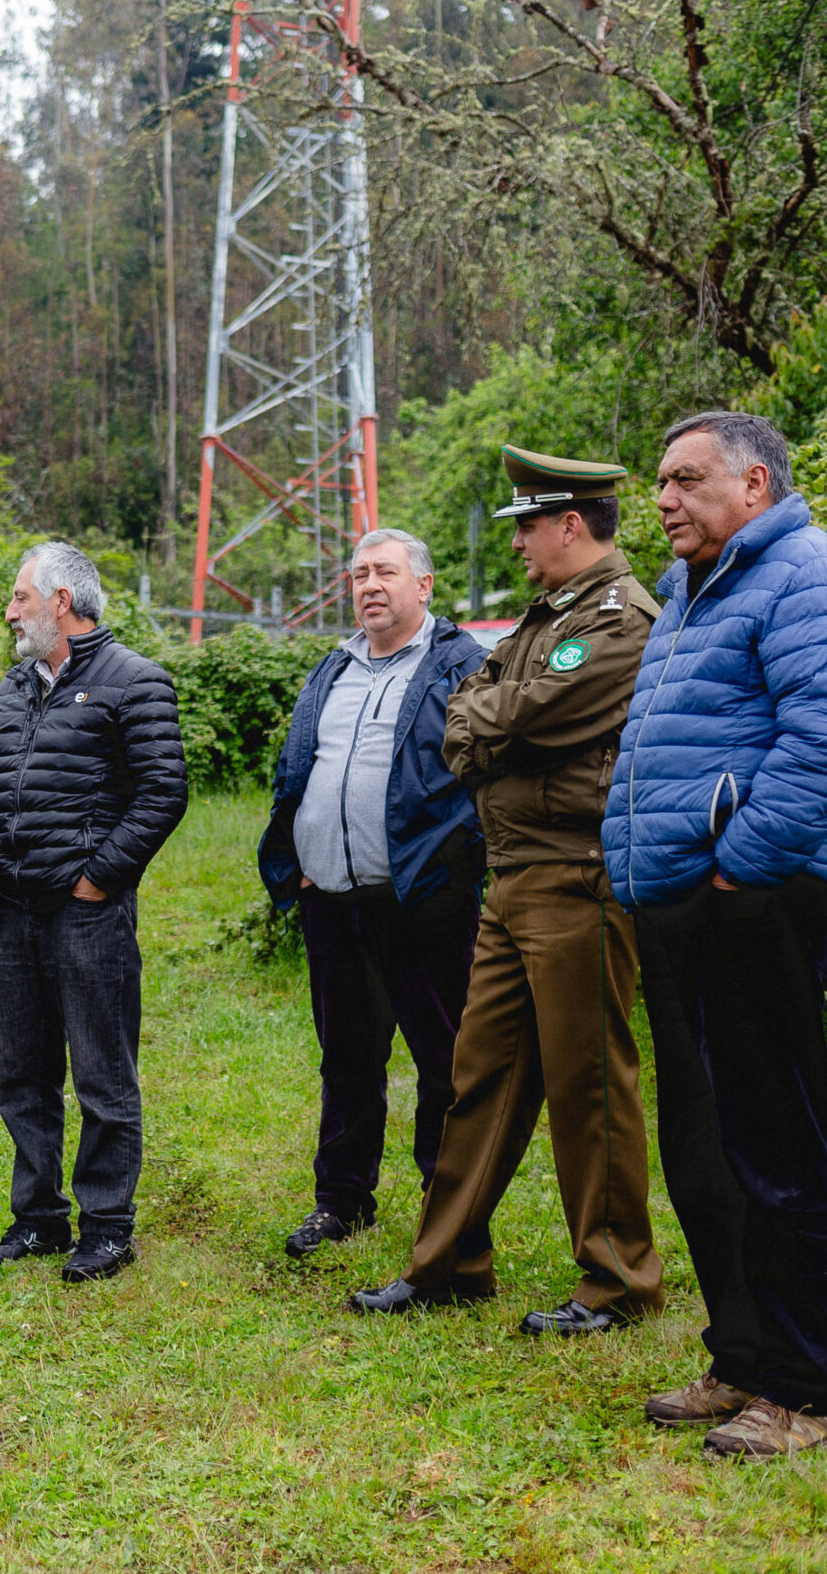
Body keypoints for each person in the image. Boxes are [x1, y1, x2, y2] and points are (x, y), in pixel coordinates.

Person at [606, 412, 827, 1460]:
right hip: (681, 902)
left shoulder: (814, 574)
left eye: (684, 480)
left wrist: (737, 868)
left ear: (753, 483)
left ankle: (806, 1393)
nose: (663, 500)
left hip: (757, 897)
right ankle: (741, 1357)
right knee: (706, 1145)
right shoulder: (691, 589)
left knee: (773, 1147)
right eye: (660, 482)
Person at [350, 444, 665, 1336]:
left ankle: (617, 1281)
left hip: (578, 876)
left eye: (528, 525)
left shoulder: (620, 618)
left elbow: (517, 712)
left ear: (571, 524)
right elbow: (465, 709)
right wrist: (494, 718)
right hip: (514, 875)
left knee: (588, 1083)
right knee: (475, 1077)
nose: (519, 541)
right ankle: (447, 1261)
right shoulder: (543, 620)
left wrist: (495, 718)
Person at [258, 529, 489, 1259]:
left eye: (385, 572)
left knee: (442, 1058)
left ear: (423, 585)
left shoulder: (461, 665)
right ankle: (342, 1200)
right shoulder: (333, 666)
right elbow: (298, 763)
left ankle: (444, 1206)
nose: (369, 585)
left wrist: (454, 869)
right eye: (359, 574)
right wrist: (295, 848)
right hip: (331, 898)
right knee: (347, 1056)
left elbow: (486, 781)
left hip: (419, 900)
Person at [0, 542, 187, 1283]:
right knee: (22, 1073)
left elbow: (163, 793)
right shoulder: (14, 687)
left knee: (101, 1073)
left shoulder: (135, 682)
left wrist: (99, 878)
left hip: (87, 914)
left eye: (20, 598)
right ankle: (38, 1219)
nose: (9, 612)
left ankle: (108, 1226)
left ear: (61, 601)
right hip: (18, 910)